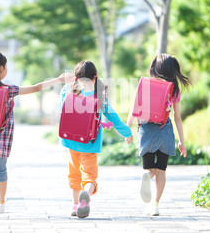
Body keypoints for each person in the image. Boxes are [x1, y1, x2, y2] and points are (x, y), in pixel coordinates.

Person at [0, 51, 68, 220]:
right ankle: (1, 203)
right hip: (2, 138)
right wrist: (58, 79)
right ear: (1, 69)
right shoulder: (8, 90)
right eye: (6, 66)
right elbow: (37, 87)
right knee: (0, 169)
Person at [59, 60, 133, 218]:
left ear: (76, 78)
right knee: (89, 175)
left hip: (70, 141)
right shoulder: (99, 96)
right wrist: (127, 133)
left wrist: (67, 85)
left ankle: (74, 205)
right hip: (90, 144)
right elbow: (114, 118)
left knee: (74, 173)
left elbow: (61, 106)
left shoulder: (68, 90)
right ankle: (86, 194)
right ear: (95, 77)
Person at [127, 54, 190, 216]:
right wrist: (181, 141)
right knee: (161, 170)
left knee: (150, 169)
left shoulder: (145, 85)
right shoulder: (173, 88)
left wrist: (128, 130)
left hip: (146, 131)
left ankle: (146, 175)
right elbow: (177, 117)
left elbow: (134, 108)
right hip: (165, 131)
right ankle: (155, 205)